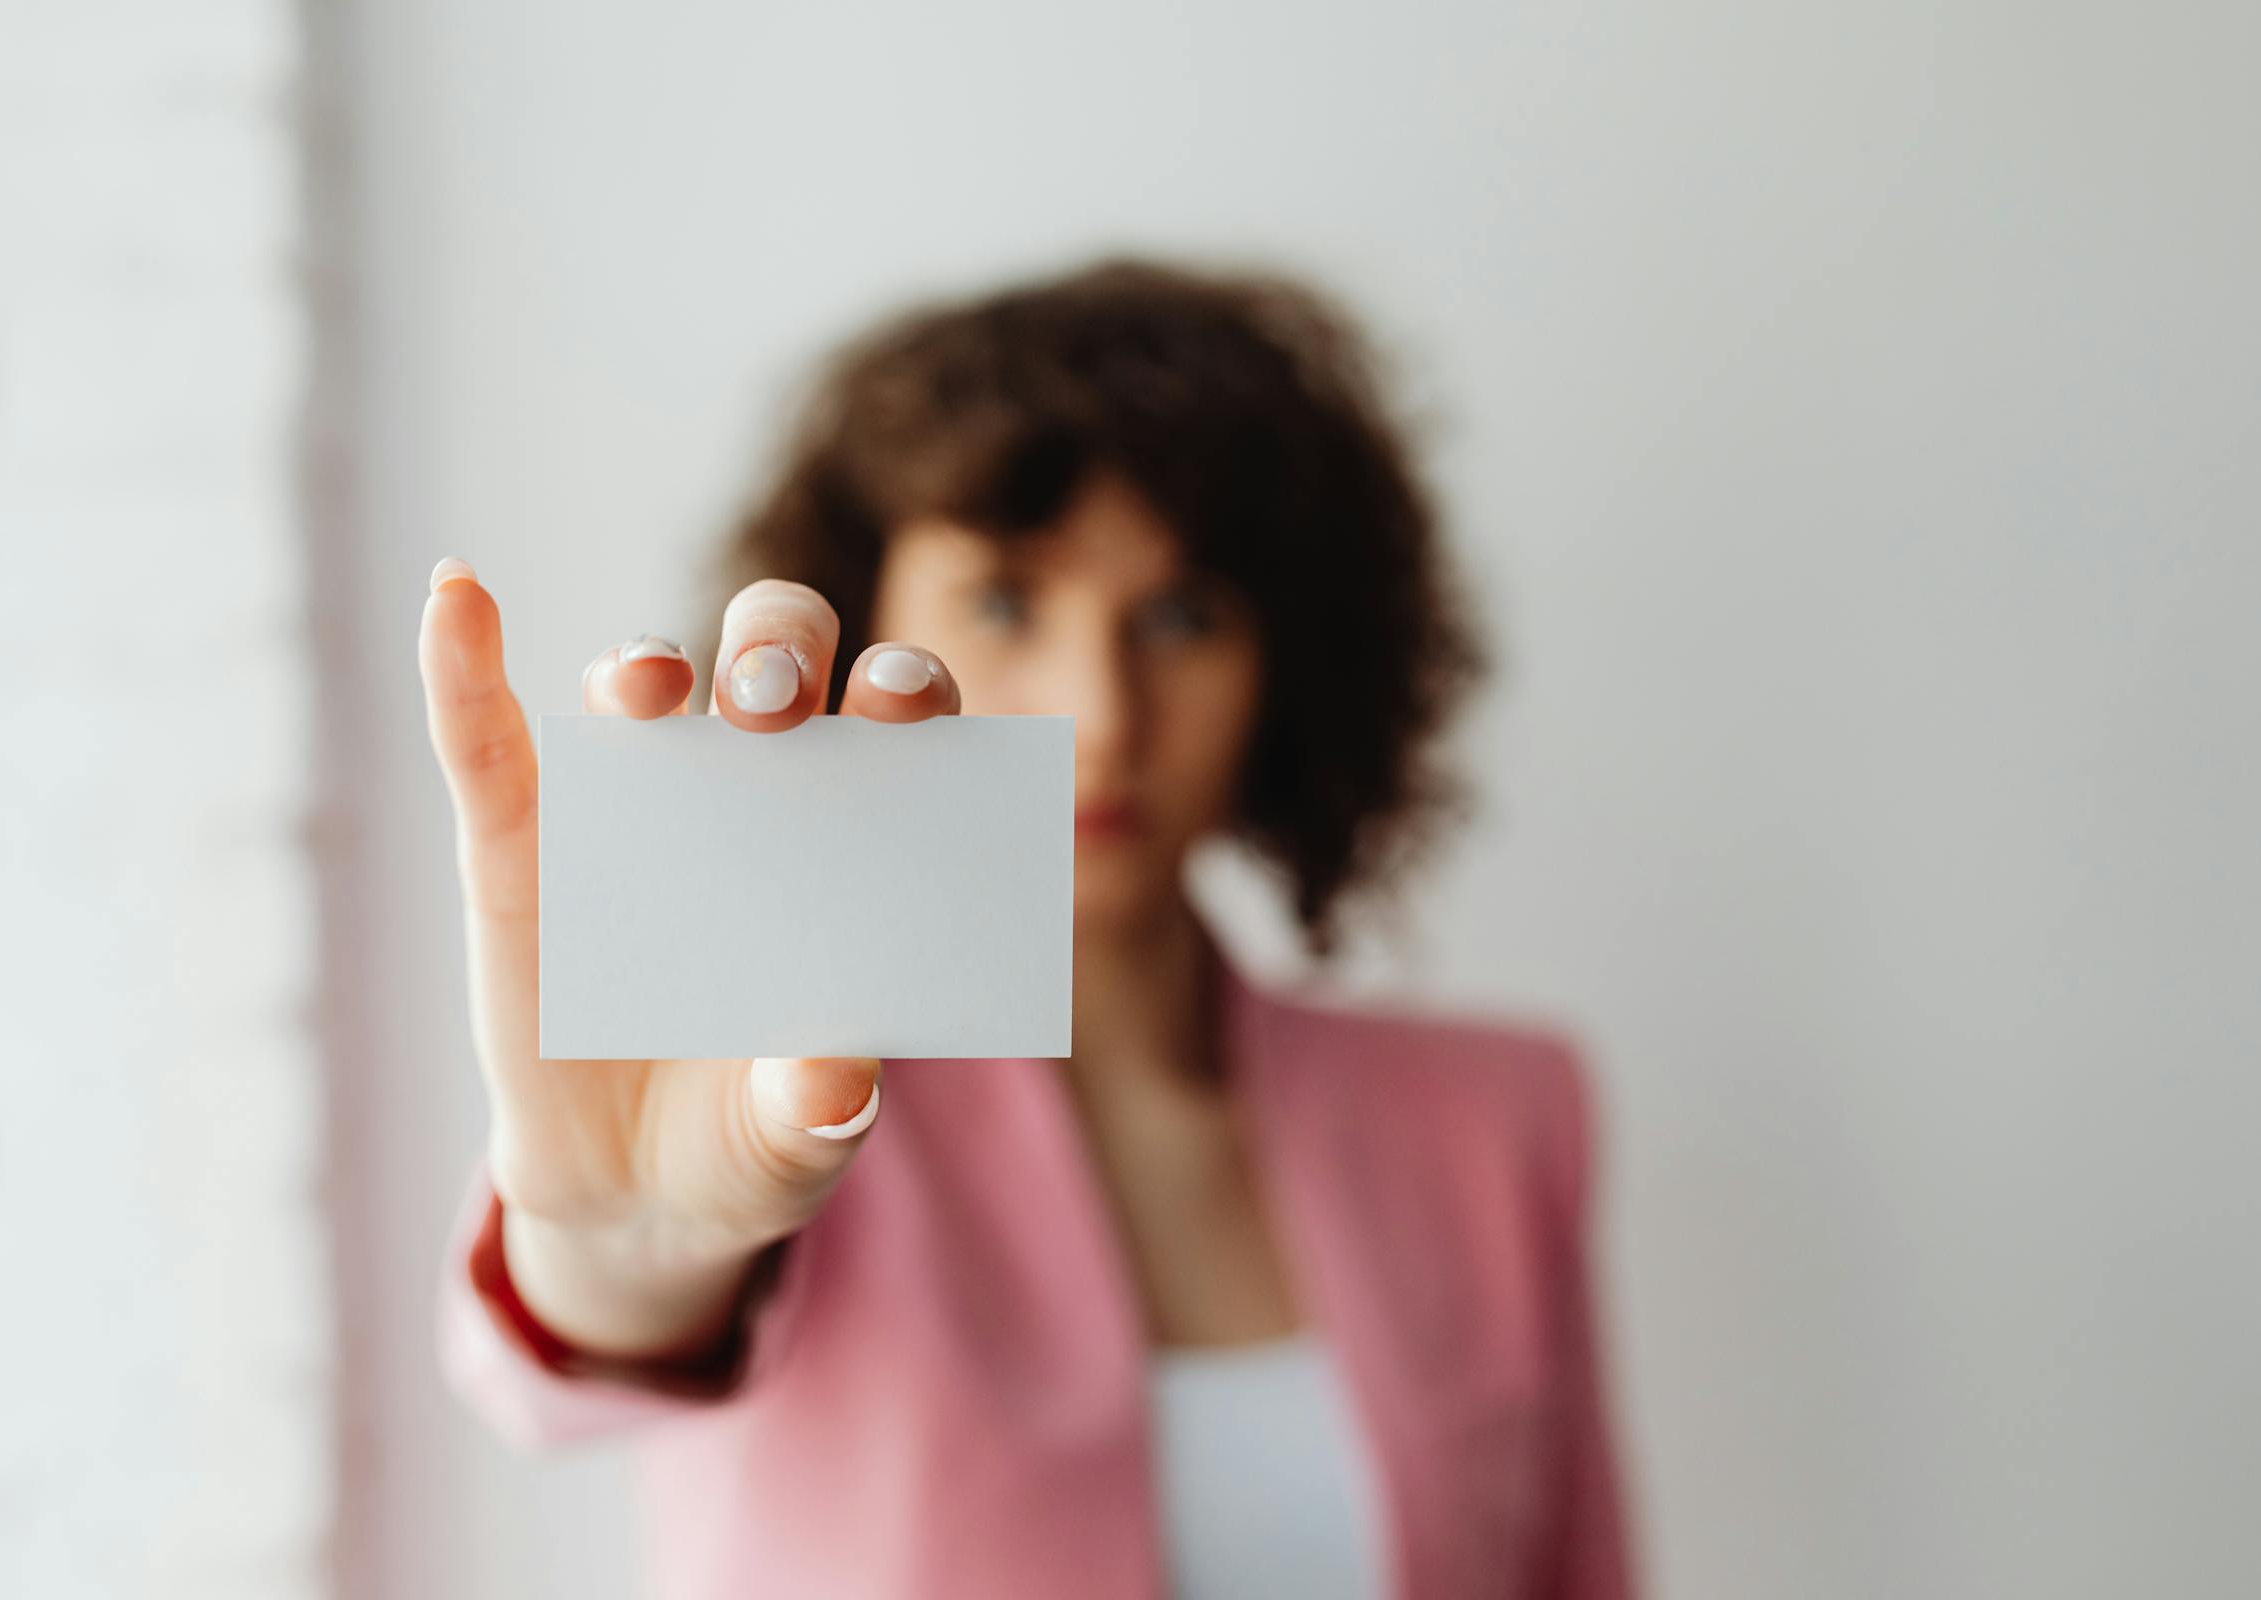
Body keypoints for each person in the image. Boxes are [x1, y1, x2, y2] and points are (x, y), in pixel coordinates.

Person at [416, 256, 1636, 1598]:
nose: (1100, 715)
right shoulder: (769, 1082)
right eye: (1006, 601)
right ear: (865, 607)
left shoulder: (1500, 1119)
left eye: (1181, 617)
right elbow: (584, 1334)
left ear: (1290, 664)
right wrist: (626, 1243)